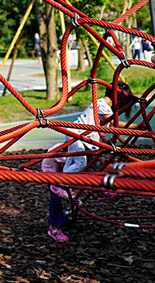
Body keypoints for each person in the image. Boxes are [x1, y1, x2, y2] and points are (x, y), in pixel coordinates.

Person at [40, 82, 140, 242]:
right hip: (54, 164)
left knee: (83, 167)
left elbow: (111, 126)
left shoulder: (102, 107)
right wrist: (136, 126)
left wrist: (124, 142)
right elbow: (114, 124)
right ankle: (55, 222)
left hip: (75, 144)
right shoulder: (101, 105)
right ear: (119, 99)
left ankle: (91, 190)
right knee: (76, 171)